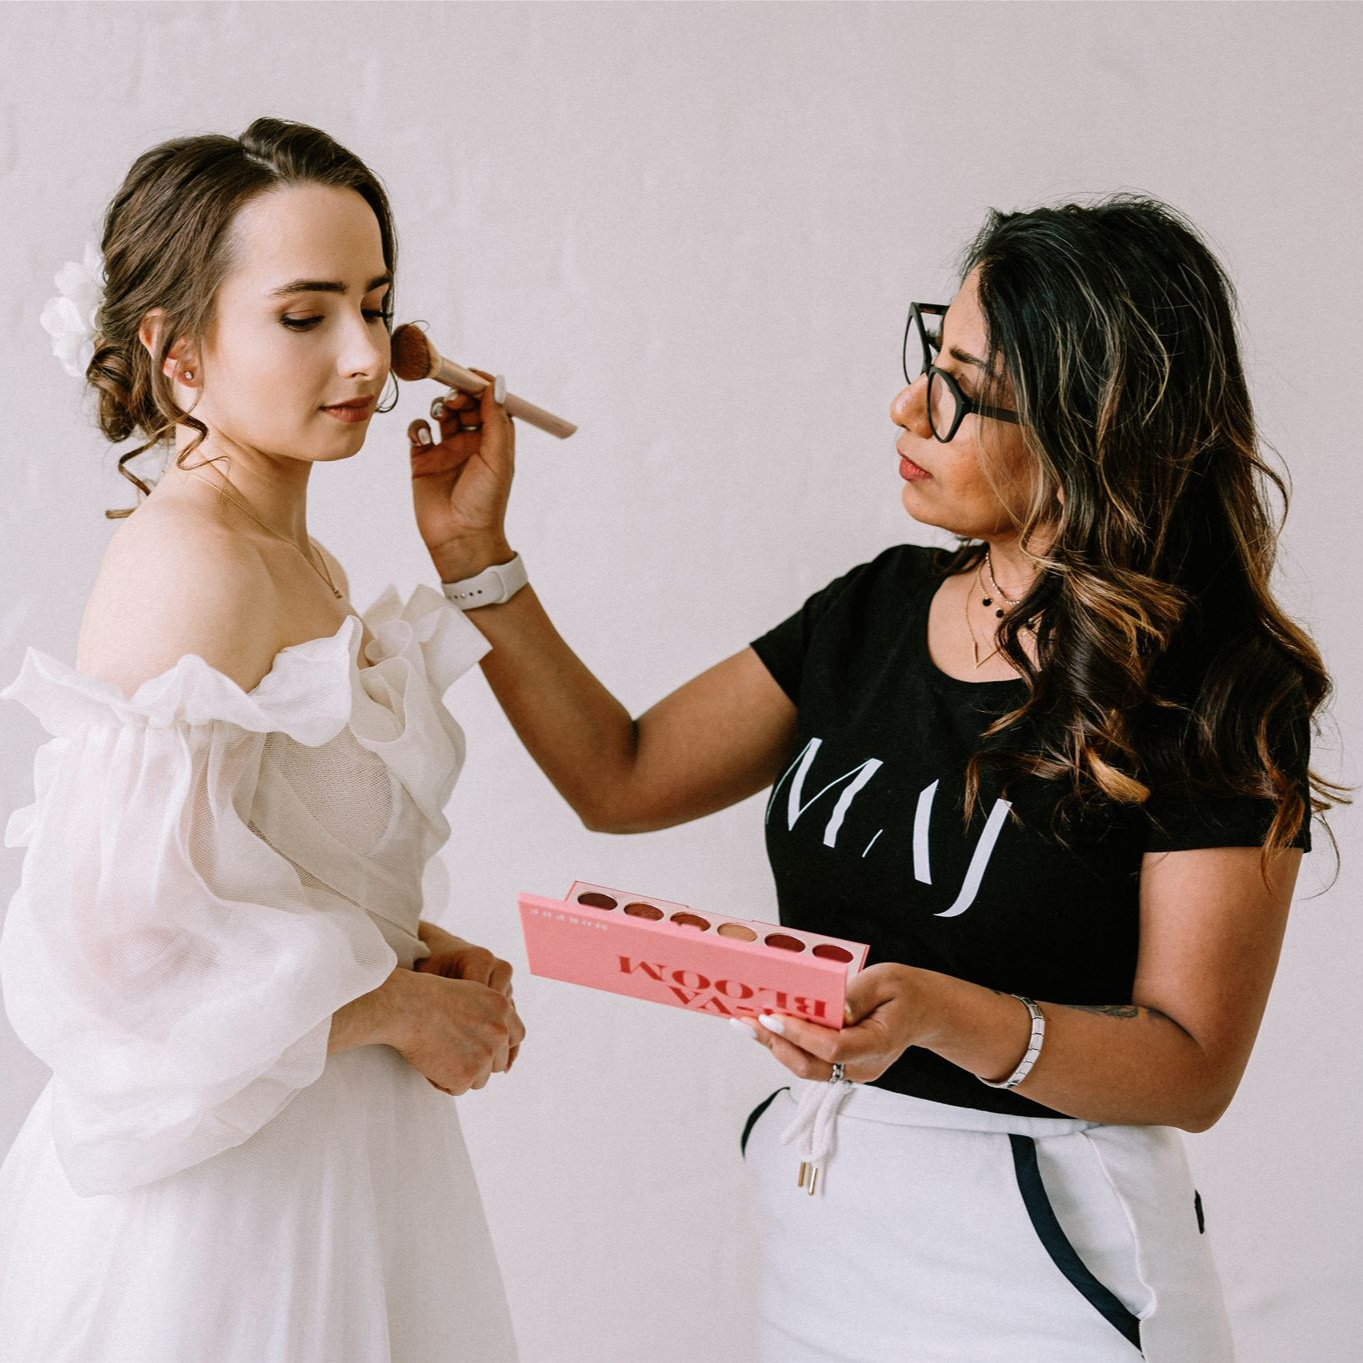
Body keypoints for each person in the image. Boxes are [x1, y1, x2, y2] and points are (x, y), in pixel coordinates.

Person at [407, 195, 1339, 1361]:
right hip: (829, 1234)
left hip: (1053, 1271)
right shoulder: (877, 609)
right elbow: (620, 776)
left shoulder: (1216, 689)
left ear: (1089, 427)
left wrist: (947, 1017)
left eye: (961, 388)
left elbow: (1192, 1065)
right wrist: (472, 554)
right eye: (929, 359)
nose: (908, 406)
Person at [0, 118, 523, 1362]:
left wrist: (415, 949)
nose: (365, 356)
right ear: (177, 353)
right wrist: (394, 1004)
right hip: (229, 1215)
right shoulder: (193, 564)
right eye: (304, 315)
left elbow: (250, 865)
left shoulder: (299, 557)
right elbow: (116, 954)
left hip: (337, 1161)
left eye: (374, 305)